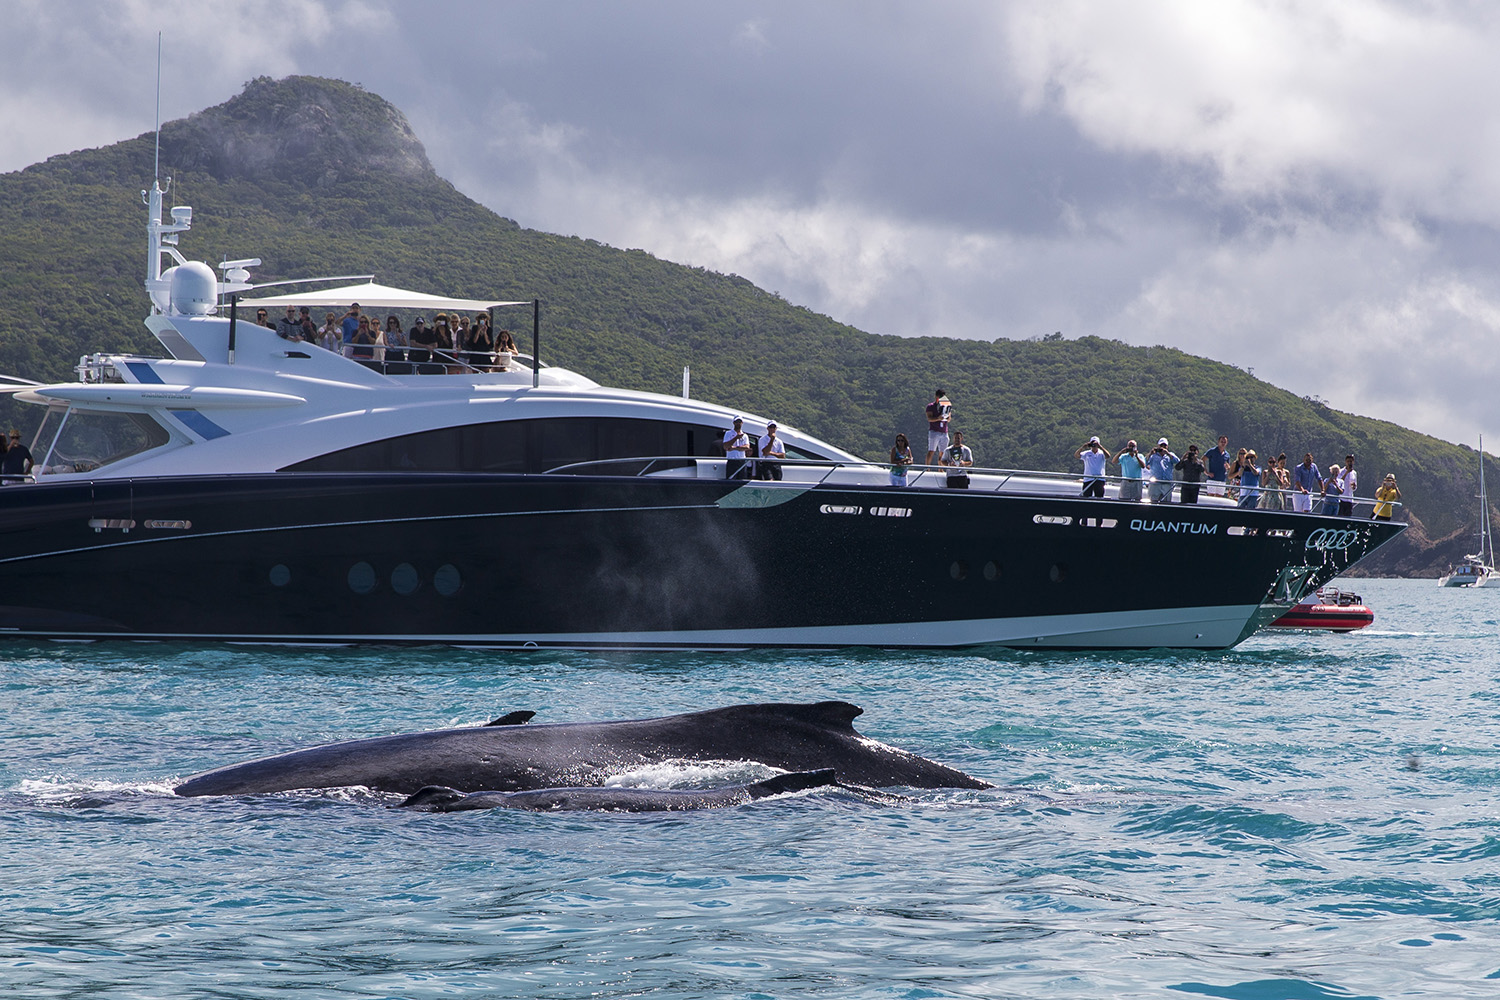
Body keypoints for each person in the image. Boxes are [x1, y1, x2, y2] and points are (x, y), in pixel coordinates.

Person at [1146, 437, 1178, 504]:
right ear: (1158, 446)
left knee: (1166, 502)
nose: (1163, 447)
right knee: (1152, 501)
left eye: (1164, 445)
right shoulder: (1153, 456)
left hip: (1166, 483)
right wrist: (1150, 453)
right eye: (1161, 445)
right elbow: (1145, 463)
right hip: (1155, 483)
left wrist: (1168, 453)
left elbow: (1177, 461)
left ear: (1167, 446)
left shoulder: (1170, 455)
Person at [925, 389, 952, 466]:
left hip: (944, 431)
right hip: (934, 431)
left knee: (943, 452)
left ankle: (941, 468)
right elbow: (929, 419)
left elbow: (949, 418)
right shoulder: (930, 406)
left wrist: (947, 417)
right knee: (931, 450)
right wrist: (938, 418)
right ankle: (927, 468)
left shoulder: (946, 406)